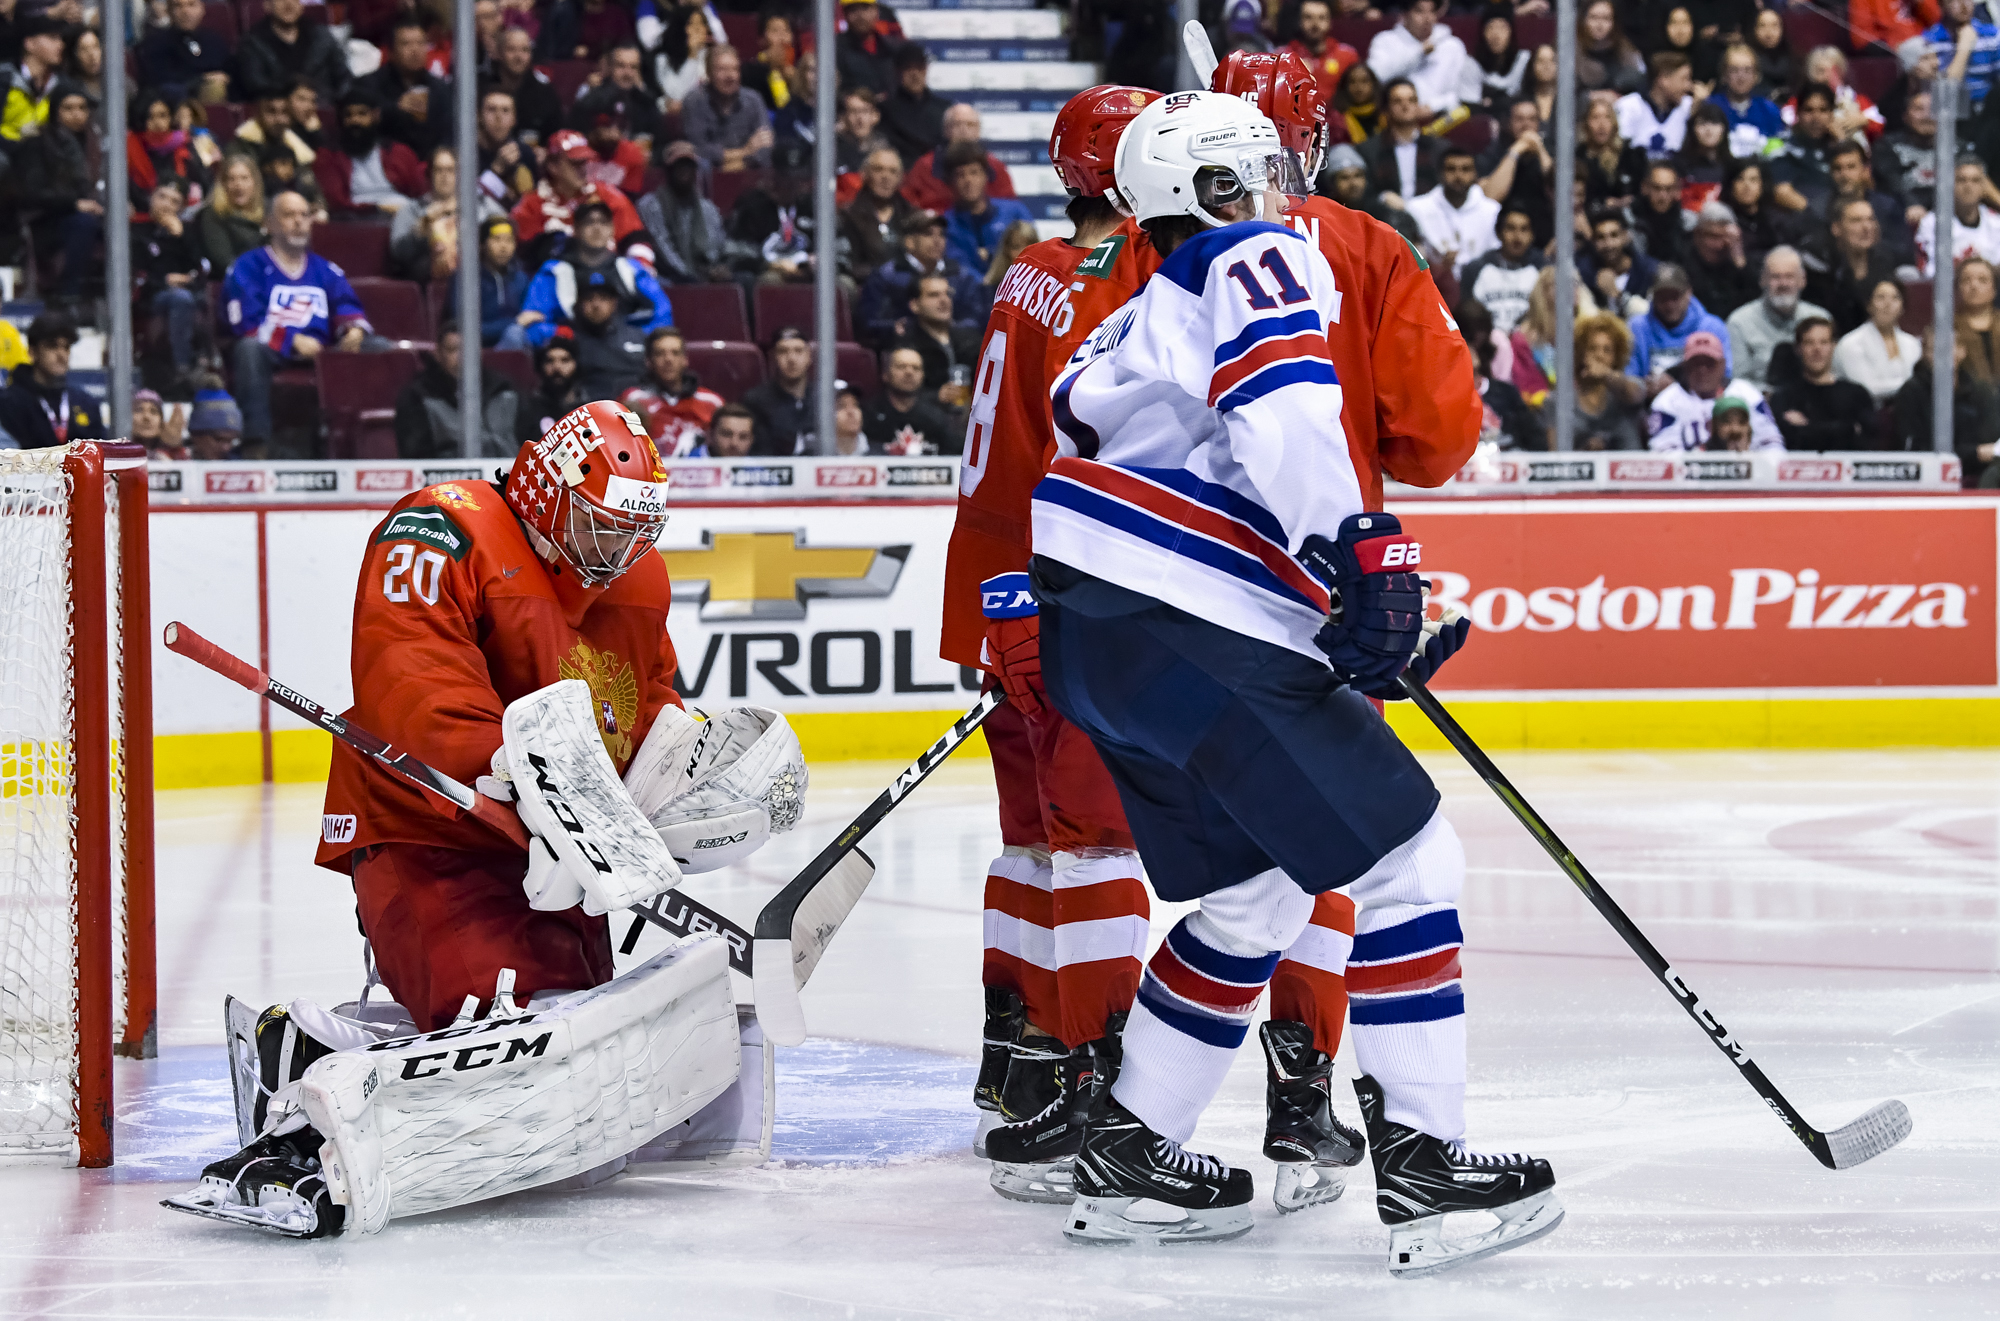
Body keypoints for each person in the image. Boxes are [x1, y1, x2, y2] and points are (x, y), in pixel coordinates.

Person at [1025, 89, 1548, 1267]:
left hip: (1101, 639)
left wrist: (1348, 611)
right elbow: (1286, 414)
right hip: (1182, 618)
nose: (1278, 194)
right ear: (1208, 192)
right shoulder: (1250, 257)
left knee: (1256, 893)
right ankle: (1425, 1166)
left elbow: (1199, 486)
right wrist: (1362, 554)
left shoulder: (1127, 314)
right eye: (1255, 172)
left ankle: (1131, 1153)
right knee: (1412, 861)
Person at [164, 394, 811, 1238]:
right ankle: (298, 1127)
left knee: (568, 1051)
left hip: (552, 862)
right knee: (509, 1047)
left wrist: (677, 785)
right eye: (601, 525)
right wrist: (532, 797)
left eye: (631, 532)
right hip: (428, 833)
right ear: (546, 491)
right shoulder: (441, 528)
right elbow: (416, 694)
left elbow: (644, 706)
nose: (617, 551)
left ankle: (317, 1042)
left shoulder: (630, 576)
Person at [224, 189, 383, 451]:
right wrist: (291, 339)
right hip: (272, 350)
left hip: (324, 348)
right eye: (289, 215)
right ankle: (256, 444)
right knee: (248, 350)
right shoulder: (247, 267)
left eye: (304, 215)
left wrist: (352, 330)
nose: (299, 222)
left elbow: (346, 303)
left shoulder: (325, 269)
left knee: (379, 349)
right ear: (269, 223)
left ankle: (372, 442)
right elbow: (246, 324)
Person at [522, 199, 672, 345]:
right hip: (573, 353)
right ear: (576, 230)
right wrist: (563, 335)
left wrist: (637, 337)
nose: (597, 228)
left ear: (612, 229)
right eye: (589, 222)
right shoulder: (553, 273)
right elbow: (533, 323)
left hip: (627, 354)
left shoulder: (632, 269)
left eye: (603, 222)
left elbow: (663, 314)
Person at [17, 87, 105, 304]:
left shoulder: (98, 142)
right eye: (68, 108)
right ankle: (69, 292)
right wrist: (74, 204)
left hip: (92, 210)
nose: (77, 114)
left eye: (82, 108)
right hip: (48, 219)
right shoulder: (37, 143)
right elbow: (33, 194)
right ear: (55, 111)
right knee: (83, 223)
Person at [510, 128, 643, 266]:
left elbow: (637, 240)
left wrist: (638, 273)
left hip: (607, 280)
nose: (583, 169)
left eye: (585, 161)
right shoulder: (531, 205)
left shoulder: (609, 197)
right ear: (553, 166)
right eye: (575, 163)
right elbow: (522, 260)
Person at [856, 208, 983, 347]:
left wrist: (954, 330)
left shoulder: (961, 276)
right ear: (909, 241)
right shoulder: (886, 276)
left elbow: (976, 317)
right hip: (903, 348)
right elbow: (869, 322)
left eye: (941, 234)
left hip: (955, 347)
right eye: (927, 234)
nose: (937, 241)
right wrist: (895, 328)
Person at [392, 321, 520, 457]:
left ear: (480, 352)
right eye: (453, 350)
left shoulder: (505, 391)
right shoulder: (418, 397)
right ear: (438, 354)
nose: (462, 357)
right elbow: (415, 457)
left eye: (468, 350)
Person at [1647, 329, 1782, 450]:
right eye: (1696, 363)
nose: (1702, 370)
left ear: (1722, 365)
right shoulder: (1666, 402)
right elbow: (1663, 454)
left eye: (1709, 363)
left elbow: (1771, 443)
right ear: (1685, 366)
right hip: (1689, 475)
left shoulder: (1747, 393)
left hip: (1747, 473)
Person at [1897, 328, 2000, 477]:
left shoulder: (1980, 391)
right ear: (1925, 354)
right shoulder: (1911, 392)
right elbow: (1914, 449)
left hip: (1980, 472)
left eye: (1948, 348)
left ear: (1962, 351)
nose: (1942, 355)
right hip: (1928, 476)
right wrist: (1974, 453)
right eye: (1934, 350)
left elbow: (1993, 442)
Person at [133, 179, 206, 381]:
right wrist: (165, 281)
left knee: (201, 299)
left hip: (189, 292)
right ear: (151, 198)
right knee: (181, 299)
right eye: (162, 197)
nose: (166, 205)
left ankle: (205, 362)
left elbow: (199, 268)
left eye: (174, 202)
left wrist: (180, 237)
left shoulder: (188, 232)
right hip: (152, 296)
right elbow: (136, 273)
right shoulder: (137, 231)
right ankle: (182, 367)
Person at [1726, 247, 1830, 389]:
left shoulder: (1820, 319)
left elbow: (1830, 374)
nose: (1783, 284)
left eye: (1789, 277)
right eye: (1775, 277)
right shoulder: (1739, 323)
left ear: (1802, 281)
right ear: (1762, 280)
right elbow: (1738, 382)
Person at [0, 313, 109, 448]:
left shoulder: (86, 402)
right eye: (52, 346)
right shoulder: (8, 403)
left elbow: (101, 453)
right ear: (32, 352)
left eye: (66, 347)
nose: (61, 354)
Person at [315, 87, 428, 216]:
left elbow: (420, 194)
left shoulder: (399, 152)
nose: (355, 120)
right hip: (355, 221)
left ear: (375, 115)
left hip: (402, 216)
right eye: (349, 115)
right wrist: (378, 208)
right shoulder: (329, 156)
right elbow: (337, 204)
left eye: (362, 114)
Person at [1769, 315, 1877, 450]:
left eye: (1824, 342)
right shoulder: (1783, 397)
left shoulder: (1857, 395)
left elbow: (1866, 440)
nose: (1817, 349)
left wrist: (1807, 427)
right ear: (1798, 348)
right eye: (1809, 342)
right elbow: (1786, 440)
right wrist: (1846, 429)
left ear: (1834, 346)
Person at [729, 138, 821, 286]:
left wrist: (819, 261)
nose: (793, 184)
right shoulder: (752, 205)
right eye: (787, 177)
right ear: (774, 175)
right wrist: (770, 265)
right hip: (767, 271)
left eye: (798, 177)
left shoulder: (812, 206)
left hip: (807, 271)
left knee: (840, 283)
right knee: (770, 281)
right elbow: (736, 253)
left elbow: (838, 246)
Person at [637, 140, 731, 285]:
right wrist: (690, 277)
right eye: (678, 166)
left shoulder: (708, 209)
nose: (684, 170)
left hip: (704, 275)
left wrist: (717, 269)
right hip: (669, 278)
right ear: (668, 170)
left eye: (689, 165)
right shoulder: (651, 205)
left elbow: (718, 246)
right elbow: (663, 249)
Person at [617, 326, 721, 456]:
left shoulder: (711, 402)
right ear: (648, 361)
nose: (668, 360)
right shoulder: (633, 400)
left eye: (675, 353)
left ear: (685, 360)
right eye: (660, 353)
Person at [1805, 197, 1901, 337]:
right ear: (1836, 228)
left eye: (1870, 219)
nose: (1866, 227)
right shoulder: (1819, 266)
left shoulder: (1884, 262)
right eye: (1856, 221)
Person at [1457, 300, 1545, 450]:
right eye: (1466, 339)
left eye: (1481, 332)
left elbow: (1534, 440)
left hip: (1506, 459)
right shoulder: (1447, 398)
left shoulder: (1507, 393)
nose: (1472, 344)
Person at [1551, 312, 1648, 449]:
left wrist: (1606, 374)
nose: (1599, 355)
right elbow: (1554, 456)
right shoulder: (1559, 401)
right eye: (1592, 348)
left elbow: (1637, 394)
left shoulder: (1626, 392)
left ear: (1617, 356)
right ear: (1580, 352)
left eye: (1607, 350)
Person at [903, 103, 1019, 215]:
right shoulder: (925, 166)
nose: (964, 130)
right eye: (957, 124)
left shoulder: (996, 167)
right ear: (946, 131)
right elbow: (908, 206)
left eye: (970, 125)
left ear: (978, 131)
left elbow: (1011, 209)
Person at [1627, 262, 1730, 384]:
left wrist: (1676, 385)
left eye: (1675, 297)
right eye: (1662, 298)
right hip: (1648, 400)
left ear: (1688, 293)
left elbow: (1725, 377)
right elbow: (1630, 377)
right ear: (1653, 296)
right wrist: (1643, 388)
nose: (1669, 305)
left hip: (1699, 397)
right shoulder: (1637, 327)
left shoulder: (1712, 327)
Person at [1404, 144, 1497, 278]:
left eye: (1466, 169)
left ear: (1475, 174)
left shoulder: (1491, 211)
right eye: (1451, 169)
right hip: (1434, 283)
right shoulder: (1417, 209)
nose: (1458, 175)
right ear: (1440, 173)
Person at [942, 141, 1035, 275]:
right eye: (960, 175)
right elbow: (959, 270)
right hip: (970, 294)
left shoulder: (1015, 212)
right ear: (951, 181)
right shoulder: (946, 224)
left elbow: (1032, 254)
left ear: (986, 176)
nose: (968, 180)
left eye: (974, 172)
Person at [1366, 0, 1469, 118]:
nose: (1427, 18)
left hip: (1441, 117)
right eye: (1419, 11)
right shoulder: (1384, 41)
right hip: (1394, 118)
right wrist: (1418, 54)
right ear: (1404, 15)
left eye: (1432, 11)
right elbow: (1375, 78)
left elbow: (1462, 93)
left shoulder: (1452, 46)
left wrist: (1433, 106)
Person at [364, 18, 451, 159]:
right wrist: (396, 109)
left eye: (421, 43)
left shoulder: (440, 88)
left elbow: (449, 133)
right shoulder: (370, 84)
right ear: (391, 52)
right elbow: (364, 121)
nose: (415, 50)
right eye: (406, 44)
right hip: (386, 163)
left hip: (430, 165)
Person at [1353, 78, 1443, 211]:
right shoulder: (1368, 150)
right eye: (1397, 101)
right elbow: (1364, 193)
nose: (1405, 106)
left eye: (1411, 100)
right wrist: (1383, 197)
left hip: (1431, 216)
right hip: (1386, 217)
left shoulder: (1439, 148)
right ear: (1386, 108)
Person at [682, 44, 772, 174]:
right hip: (706, 181)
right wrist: (746, 151)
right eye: (722, 70)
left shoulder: (753, 100)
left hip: (750, 178)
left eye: (735, 69)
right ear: (708, 72)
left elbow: (765, 147)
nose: (730, 76)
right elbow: (698, 150)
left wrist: (730, 166)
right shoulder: (694, 101)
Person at [237, 0, 351, 102]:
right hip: (279, 114)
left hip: (323, 107)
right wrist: (291, 101)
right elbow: (256, 85)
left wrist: (337, 103)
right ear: (267, 5)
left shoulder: (321, 36)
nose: (289, 3)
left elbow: (344, 77)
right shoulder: (253, 42)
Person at [1457, 204, 1545, 333]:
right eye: (1510, 229)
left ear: (1532, 235)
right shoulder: (1475, 270)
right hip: (1488, 347)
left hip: (1532, 346)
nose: (1517, 237)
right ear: (1498, 233)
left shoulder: (1542, 270)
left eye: (1524, 229)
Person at [1476, 97, 1551, 243]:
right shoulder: (1494, 153)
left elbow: (1560, 192)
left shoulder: (1550, 152)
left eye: (1532, 119)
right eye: (1519, 119)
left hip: (1544, 232)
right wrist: (1515, 151)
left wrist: (1540, 150)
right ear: (1509, 123)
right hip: (1501, 235)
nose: (1526, 125)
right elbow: (1491, 197)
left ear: (1539, 124)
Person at [892, 272, 981, 397]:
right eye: (934, 295)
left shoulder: (971, 338)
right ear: (914, 305)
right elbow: (899, 394)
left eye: (948, 294)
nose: (944, 300)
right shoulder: (906, 345)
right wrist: (936, 396)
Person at [565, 270, 650, 398]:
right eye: (589, 299)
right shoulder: (570, 343)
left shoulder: (638, 337)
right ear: (579, 304)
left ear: (614, 303)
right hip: (593, 409)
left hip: (638, 408)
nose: (596, 305)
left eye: (603, 298)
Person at [1321, 142, 1423, 248]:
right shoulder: (1325, 217)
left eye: (1358, 176)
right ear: (1332, 183)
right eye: (1344, 178)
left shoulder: (1384, 215)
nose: (1353, 183)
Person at [863, 344, 955, 454]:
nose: (909, 372)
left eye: (916, 368)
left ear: (922, 376)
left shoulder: (936, 418)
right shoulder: (868, 415)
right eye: (901, 367)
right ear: (885, 374)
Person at [1917, 156, 2000, 276]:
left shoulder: (1996, 223)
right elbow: (1929, 272)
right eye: (1961, 180)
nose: (1968, 186)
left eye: (1975, 180)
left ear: (1984, 187)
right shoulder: (1932, 223)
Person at [138, 0, 233, 105]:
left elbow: (229, 70)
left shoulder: (214, 41)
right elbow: (160, 80)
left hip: (220, 95)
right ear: (169, 11)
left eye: (191, 5)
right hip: (177, 100)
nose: (185, 11)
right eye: (178, 6)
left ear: (202, 9)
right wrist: (202, 79)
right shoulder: (156, 42)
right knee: (215, 86)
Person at [572, 41, 661, 152]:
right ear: (610, 68)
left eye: (633, 67)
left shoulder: (647, 103)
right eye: (621, 66)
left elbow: (661, 145)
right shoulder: (591, 101)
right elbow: (575, 140)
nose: (627, 73)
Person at [482, 26, 562, 145]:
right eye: (511, 49)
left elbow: (557, 136)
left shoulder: (545, 93)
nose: (518, 57)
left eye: (525, 50)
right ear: (499, 52)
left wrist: (546, 152)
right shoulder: (481, 87)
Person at [743, 328, 816, 454]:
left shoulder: (824, 398)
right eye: (783, 351)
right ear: (773, 357)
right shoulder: (755, 402)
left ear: (809, 356)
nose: (791, 359)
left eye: (798, 351)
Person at [843, 146, 915, 275]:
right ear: (865, 174)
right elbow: (850, 264)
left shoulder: (912, 216)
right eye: (878, 169)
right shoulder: (848, 216)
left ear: (900, 178)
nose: (886, 177)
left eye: (893, 172)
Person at [1577, 207, 1658, 318]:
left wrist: (1619, 297)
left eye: (1614, 235)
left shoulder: (1648, 271)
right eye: (1601, 237)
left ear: (1625, 237)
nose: (1608, 244)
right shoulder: (1585, 272)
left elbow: (1654, 315)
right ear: (1594, 242)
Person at [1682, 201, 1758, 319]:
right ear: (1697, 235)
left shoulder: (1740, 263)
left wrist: (1739, 260)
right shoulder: (1683, 263)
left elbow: (1755, 302)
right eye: (1712, 236)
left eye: (1724, 237)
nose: (1718, 245)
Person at [880, 42, 951, 166]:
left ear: (926, 70)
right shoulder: (886, 110)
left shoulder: (945, 110)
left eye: (919, 68)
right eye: (908, 68)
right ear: (897, 72)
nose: (915, 74)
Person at [1708, 42, 1783, 159]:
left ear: (1756, 75)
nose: (1741, 77)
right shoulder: (1711, 107)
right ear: (1724, 75)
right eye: (1734, 70)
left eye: (1747, 70)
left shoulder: (1770, 110)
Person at [1876, 87, 1937, 231]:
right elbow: (1891, 181)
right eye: (1919, 109)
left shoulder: (1956, 148)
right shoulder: (1887, 146)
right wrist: (1911, 203)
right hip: (1899, 218)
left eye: (1932, 109)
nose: (1926, 115)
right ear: (1905, 116)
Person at [1617, 51, 1694, 160]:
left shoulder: (1689, 107)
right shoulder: (1630, 106)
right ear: (1664, 79)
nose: (1689, 86)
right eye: (1684, 79)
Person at [1925, 0, 2000, 112]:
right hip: (1949, 112)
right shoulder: (1930, 40)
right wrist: (1964, 47)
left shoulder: (1991, 36)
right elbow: (1944, 95)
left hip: (1987, 111)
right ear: (1941, 5)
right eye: (1954, 1)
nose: (1964, 5)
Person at [571, 89, 647, 196]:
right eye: (607, 124)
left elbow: (629, 202)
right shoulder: (573, 151)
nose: (614, 133)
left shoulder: (632, 153)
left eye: (621, 125)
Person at [1578, 97, 1647, 210]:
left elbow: (1641, 190)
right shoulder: (1579, 158)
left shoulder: (1630, 155)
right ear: (1586, 123)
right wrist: (1604, 202)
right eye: (1595, 118)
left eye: (1607, 117)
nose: (1602, 125)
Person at [517, 327, 583, 443]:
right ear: (540, 366)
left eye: (565, 360)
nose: (557, 367)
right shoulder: (527, 408)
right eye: (550, 361)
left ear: (576, 365)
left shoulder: (587, 408)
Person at [475, 216, 531, 350]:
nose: (504, 247)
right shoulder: (467, 279)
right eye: (497, 240)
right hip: (477, 352)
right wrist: (514, 322)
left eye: (509, 241)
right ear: (482, 244)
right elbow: (467, 330)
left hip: (517, 344)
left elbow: (528, 318)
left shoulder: (521, 279)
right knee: (515, 333)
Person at [474, 86, 535, 208]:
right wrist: (496, 170)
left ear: (514, 119)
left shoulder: (525, 154)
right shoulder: (468, 154)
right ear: (479, 116)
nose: (498, 117)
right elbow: (470, 202)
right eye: (491, 110)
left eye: (505, 111)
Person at [649, 3, 711, 115]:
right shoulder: (663, 60)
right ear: (680, 28)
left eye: (702, 24)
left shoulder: (711, 57)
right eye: (691, 24)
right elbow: (676, 96)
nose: (698, 29)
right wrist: (692, 56)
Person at [1467, 2, 1526, 118]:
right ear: (1482, 33)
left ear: (1511, 32)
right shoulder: (1470, 64)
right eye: (1491, 28)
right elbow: (1471, 107)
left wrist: (1493, 102)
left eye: (1502, 28)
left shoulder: (1524, 60)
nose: (1496, 35)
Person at [1577, 0, 1645, 95]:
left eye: (1606, 19)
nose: (1599, 25)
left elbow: (1639, 83)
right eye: (1593, 18)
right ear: (1583, 19)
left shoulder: (1626, 50)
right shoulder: (1571, 50)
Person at [1632, 162, 1690, 266]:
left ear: (1677, 190)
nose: (1663, 196)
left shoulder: (1689, 223)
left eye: (1669, 189)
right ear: (1644, 187)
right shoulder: (1628, 220)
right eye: (1656, 188)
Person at [833, 84, 891, 182]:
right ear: (844, 117)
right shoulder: (833, 150)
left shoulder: (886, 153)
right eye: (854, 111)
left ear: (875, 116)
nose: (860, 118)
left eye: (865, 111)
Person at [184, 385, 245, 460]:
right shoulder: (171, 465)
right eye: (218, 439)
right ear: (195, 435)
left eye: (232, 441)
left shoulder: (239, 467)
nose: (226, 448)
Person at [131, 388, 190, 459]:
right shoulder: (119, 453)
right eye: (139, 410)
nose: (146, 417)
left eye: (153, 411)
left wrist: (175, 448)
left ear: (162, 422)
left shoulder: (174, 455)